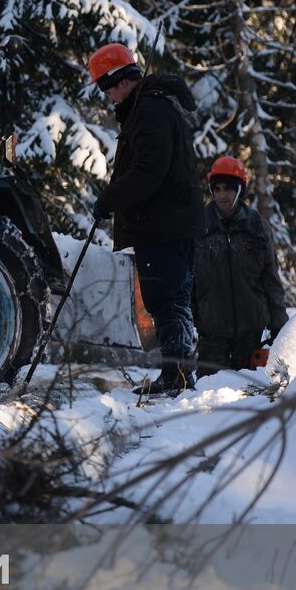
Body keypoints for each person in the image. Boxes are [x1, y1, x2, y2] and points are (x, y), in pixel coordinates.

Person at [88, 43, 205, 395]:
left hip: (163, 225)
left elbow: (147, 172)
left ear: (120, 80)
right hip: (167, 223)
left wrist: (109, 200)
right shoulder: (149, 108)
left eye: (106, 87)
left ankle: (177, 377)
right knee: (171, 300)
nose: (107, 96)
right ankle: (178, 374)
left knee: (166, 300)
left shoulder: (150, 111)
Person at [192, 155, 288, 372]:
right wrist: (189, 319)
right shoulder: (198, 226)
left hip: (251, 330)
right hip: (211, 330)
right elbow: (188, 279)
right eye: (217, 189)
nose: (222, 195)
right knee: (208, 396)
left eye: (228, 188)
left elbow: (271, 278)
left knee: (249, 394)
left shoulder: (257, 227)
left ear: (240, 189)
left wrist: (279, 327)